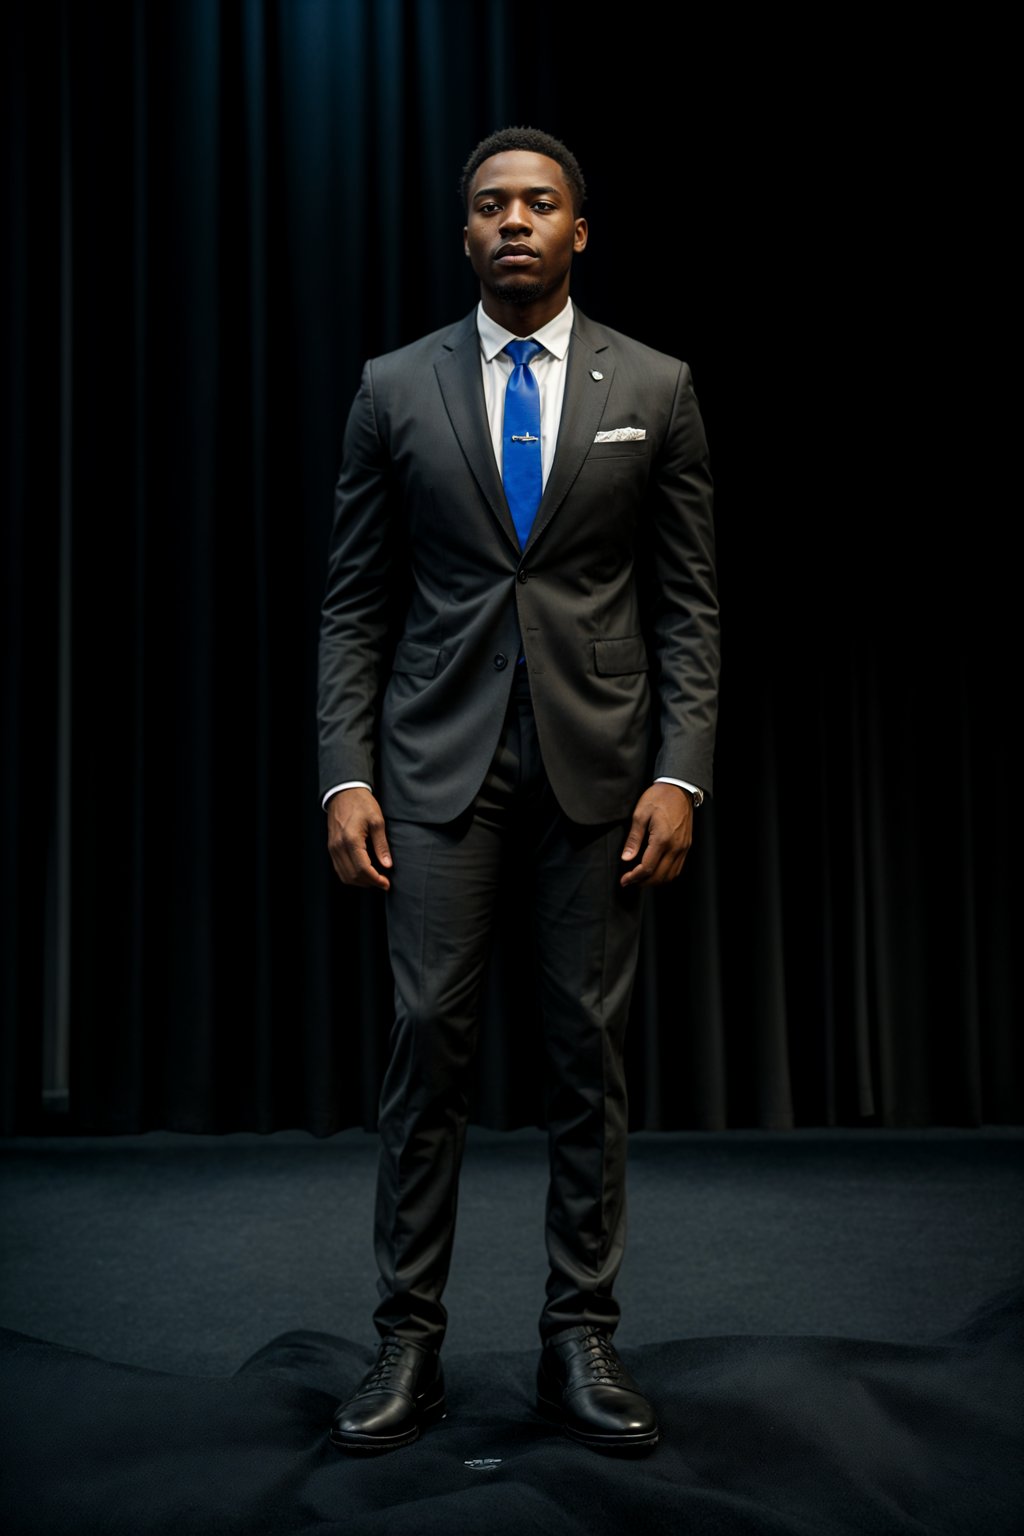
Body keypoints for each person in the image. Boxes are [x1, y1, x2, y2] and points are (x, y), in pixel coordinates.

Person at [317, 126, 719, 1456]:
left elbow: (689, 606)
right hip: (437, 774)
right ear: (465, 229)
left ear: (578, 230)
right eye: (491, 204)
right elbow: (355, 606)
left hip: (600, 774)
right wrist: (343, 775)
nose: (514, 222)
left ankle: (579, 1341)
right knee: (425, 1044)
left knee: (585, 1063)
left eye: (540, 203)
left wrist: (681, 770)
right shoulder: (394, 387)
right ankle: (407, 1349)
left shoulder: (654, 386)